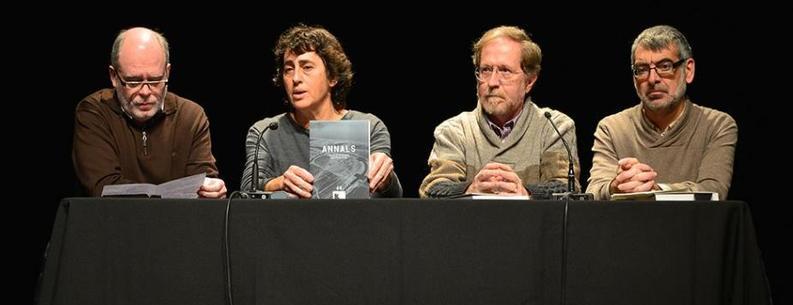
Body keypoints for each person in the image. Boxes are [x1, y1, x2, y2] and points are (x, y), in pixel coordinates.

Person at [242, 24, 402, 198]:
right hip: (290, 223)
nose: (295, 78)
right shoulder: (266, 131)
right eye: (289, 69)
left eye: (307, 67)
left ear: (332, 77)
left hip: (357, 223)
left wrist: (385, 178)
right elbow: (246, 191)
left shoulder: (369, 126)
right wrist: (280, 183)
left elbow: (394, 197)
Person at [419, 26, 578, 198]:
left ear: (529, 81)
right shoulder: (454, 131)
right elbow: (433, 190)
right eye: (486, 70)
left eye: (505, 71)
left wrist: (525, 192)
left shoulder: (554, 128)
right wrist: (469, 190)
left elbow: (567, 189)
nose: (493, 82)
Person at [586, 25, 737, 200]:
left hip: (691, 226)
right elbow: (593, 193)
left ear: (688, 70)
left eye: (665, 66)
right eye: (642, 69)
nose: (652, 79)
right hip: (630, 226)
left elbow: (714, 190)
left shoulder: (716, 125)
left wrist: (653, 189)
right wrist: (616, 186)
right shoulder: (613, 128)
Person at [73, 27, 226, 198]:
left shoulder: (191, 116)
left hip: (179, 223)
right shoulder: (95, 112)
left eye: (154, 80)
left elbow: (201, 182)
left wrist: (211, 190)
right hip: (113, 222)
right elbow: (103, 187)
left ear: (167, 72)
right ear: (114, 76)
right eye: (133, 81)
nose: (145, 91)